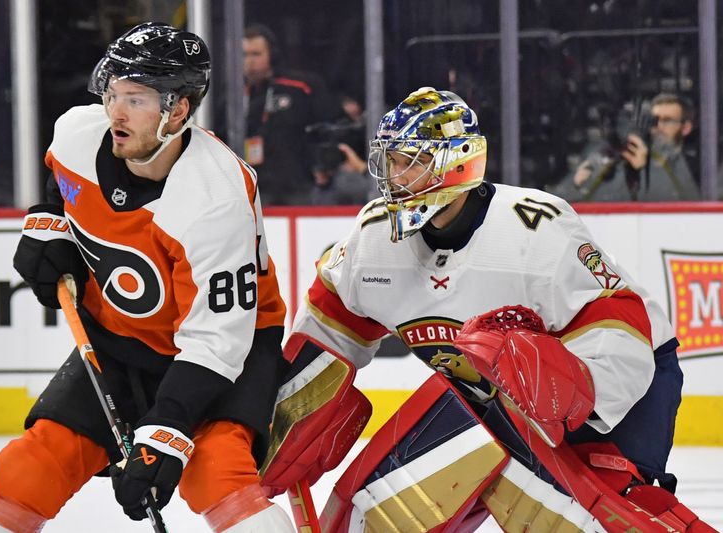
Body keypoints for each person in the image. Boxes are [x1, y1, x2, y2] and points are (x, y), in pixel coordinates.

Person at [261, 88, 710, 531]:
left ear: (456, 162)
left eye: (411, 161)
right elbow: (328, 326)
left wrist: (564, 391)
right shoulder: (373, 239)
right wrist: (292, 409)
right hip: (488, 401)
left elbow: (623, 326)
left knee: (600, 512)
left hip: (624, 382)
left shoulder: (535, 230)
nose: (396, 176)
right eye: (392, 160)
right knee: (375, 514)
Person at [0, 22, 294, 533]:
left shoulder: (214, 201)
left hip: (224, 354)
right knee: (26, 472)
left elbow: (217, 339)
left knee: (216, 476)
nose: (115, 111)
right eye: (112, 92)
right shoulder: (76, 133)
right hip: (118, 342)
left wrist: (167, 428)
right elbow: (64, 185)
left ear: (178, 109)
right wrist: (50, 223)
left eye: (135, 99)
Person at [242, 24, 341, 205]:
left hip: (300, 187)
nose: (249, 61)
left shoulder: (301, 87)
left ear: (272, 55)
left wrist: (324, 165)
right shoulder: (231, 98)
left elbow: (328, 127)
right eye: (244, 55)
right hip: (253, 191)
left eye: (256, 54)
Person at [556, 92, 700, 201]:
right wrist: (577, 184)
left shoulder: (696, 166)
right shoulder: (615, 155)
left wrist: (649, 170)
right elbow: (562, 201)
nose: (658, 127)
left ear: (686, 127)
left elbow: (689, 205)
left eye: (667, 120)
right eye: (653, 120)